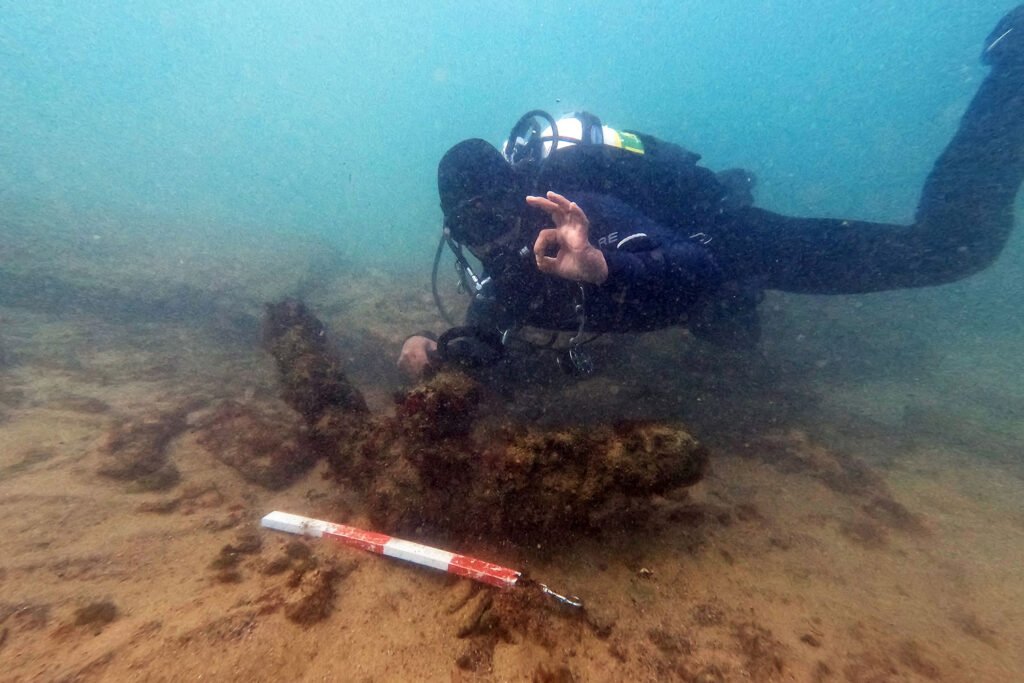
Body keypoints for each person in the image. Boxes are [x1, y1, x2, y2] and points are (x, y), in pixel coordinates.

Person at [399, 6, 1024, 380]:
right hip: (680, 279)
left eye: (494, 214)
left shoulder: (581, 212)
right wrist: (446, 350)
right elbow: (497, 310)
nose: (489, 238)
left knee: (954, 248)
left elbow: (697, 266)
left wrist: (601, 266)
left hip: (730, 240)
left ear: (522, 196)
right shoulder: (504, 264)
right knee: (727, 335)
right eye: (468, 227)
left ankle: (1011, 71)